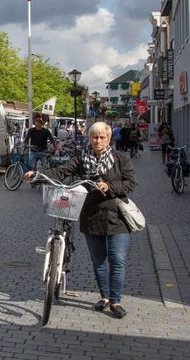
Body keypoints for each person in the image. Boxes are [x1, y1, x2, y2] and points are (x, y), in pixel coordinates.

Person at [26, 121, 137, 319]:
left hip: (117, 217)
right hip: (91, 216)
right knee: (99, 261)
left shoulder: (120, 158)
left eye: (102, 137)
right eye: (95, 137)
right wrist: (38, 175)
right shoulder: (81, 158)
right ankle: (104, 297)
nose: (98, 140)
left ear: (109, 138)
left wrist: (108, 187)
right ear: (89, 138)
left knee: (117, 260)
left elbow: (130, 183)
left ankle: (116, 300)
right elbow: (62, 171)